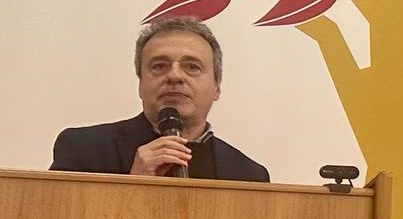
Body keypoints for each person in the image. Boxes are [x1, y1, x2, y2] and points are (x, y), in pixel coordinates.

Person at [51, 16, 270, 182]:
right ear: (140, 83)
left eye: (192, 67)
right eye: (159, 66)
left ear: (217, 87)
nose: (174, 76)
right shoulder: (82, 150)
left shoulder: (248, 175)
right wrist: (131, 187)